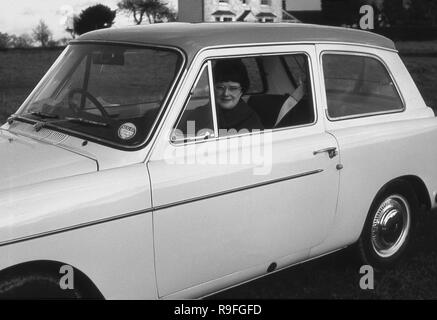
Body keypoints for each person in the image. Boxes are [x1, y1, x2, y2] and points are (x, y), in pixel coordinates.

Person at [213, 59, 264, 133]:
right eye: (220, 87)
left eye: (233, 88)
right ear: (212, 89)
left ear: (242, 90)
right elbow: (189, 135)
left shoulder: (251, 120)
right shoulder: (197, 115)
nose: (226, 93)